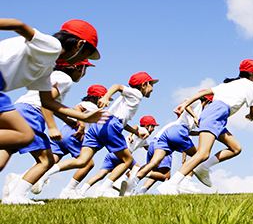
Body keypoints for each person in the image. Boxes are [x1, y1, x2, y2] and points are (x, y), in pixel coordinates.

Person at [0, 18, 103, 182]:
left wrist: (83, 117)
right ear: (79, 44)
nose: (82, 61)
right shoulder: (53, 45)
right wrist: (53, 126)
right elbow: (19, 25)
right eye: (86, 54)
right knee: (24, 134)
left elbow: (47, 101)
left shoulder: (47, 67)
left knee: (21, 136)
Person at [39, 72, 158, 195]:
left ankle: (47, 174)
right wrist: (106, 97)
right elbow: (117, 86)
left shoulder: (127, 99)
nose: (152, 89)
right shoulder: (136, 93)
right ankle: (103, 189)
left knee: (83, 160)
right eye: (151, 85)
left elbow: (122, 120)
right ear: (144, 85)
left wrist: (135, 132)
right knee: (127, 161)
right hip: (111, 125)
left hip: (100, 123)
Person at [159, 59, 253, 195]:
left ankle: (201, 169)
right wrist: (251, 116)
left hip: (215, 116)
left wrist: (185, 104)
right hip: (215, 115)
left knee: (235, 148)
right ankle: (171, 184)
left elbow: (202, 93)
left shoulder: (229, 84)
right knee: (203, 153)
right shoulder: (250, 85)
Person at [1, 60, 93, 204]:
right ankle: (16, 196)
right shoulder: (65, 79)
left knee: (5, 152)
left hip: (17, 109)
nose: (84, 73)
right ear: (77, 67)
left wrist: (68, 120)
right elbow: (46, 101)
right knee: (46, 161)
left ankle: (14, 193)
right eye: (84, 68)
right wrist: (52, 126)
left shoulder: (51, 75)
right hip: (32, 114)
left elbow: (52, 105)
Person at [134, 94, 214, 194]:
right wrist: (195, 116)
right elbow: (186, 103)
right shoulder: (197, 104)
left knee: (155, 169)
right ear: (207, 101)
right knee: (198, 156)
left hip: (157, 142)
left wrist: (199, 132)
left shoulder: (185, 120)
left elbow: (187, 132)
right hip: (169, 138)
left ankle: (139, 187)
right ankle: (186, 182)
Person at [76, 115, 159, 198]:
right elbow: (136, 127)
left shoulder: (144, 139)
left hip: (113, 153)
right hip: (123, 154)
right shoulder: (143, 131)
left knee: (101, 174)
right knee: (136, 168)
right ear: (147, 125)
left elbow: (148, 147)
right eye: (153, 126)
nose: (154, 129)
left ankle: (82, 190)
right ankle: (119, 185)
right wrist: (131, 135)